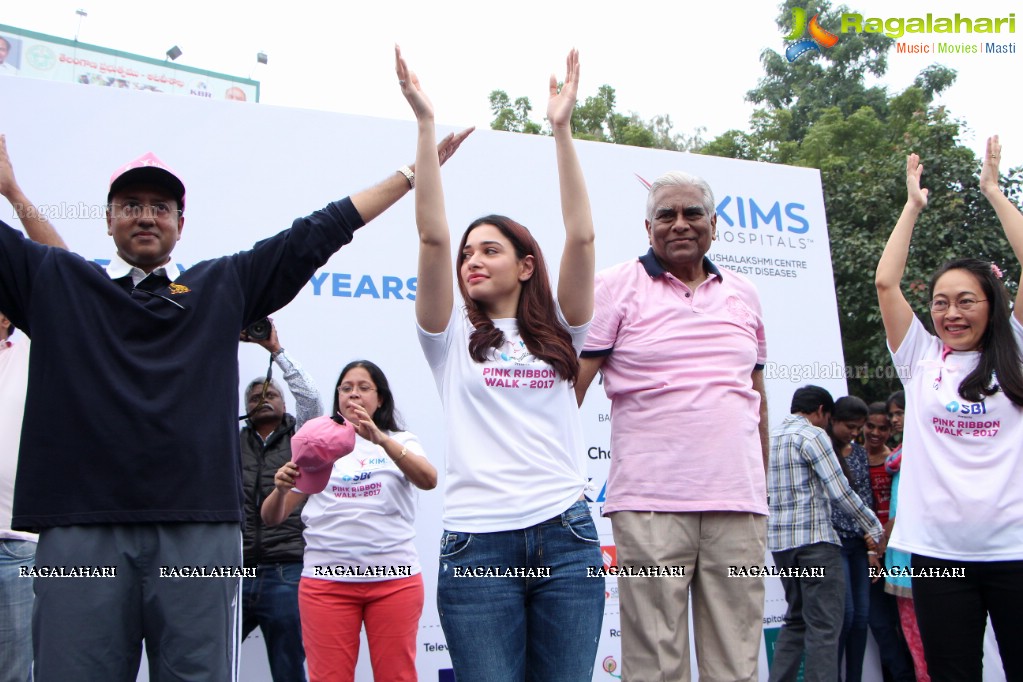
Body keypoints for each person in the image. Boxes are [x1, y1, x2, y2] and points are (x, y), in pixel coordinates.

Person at [0, 128, 468, 681]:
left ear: (180, 223)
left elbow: (316, 233)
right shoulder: (64, 285)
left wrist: (412, 175)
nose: (146, 216)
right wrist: (10, 189)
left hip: (197, 527)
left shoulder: (219, 284)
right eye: (131, 206)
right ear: (108, 221)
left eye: (161, 207)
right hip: (81, 528)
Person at [397, 46, 604, 680]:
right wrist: (426, 126)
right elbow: (432, 235)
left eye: (491, 249)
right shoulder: (449, 333)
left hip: (566, 538)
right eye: (468, 255)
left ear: (526, 263)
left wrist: (562, 129)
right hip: (476, 544)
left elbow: (581, 235)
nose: (472, 261)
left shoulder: (565, 327)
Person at [575, 168, 770, 679]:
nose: (679, 224)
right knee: (655, 661)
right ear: (648, 227)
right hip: (650, 508)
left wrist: (761, 489)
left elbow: (756, 398)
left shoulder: (744, 293)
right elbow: (569, 391)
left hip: (738, 505)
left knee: (738, 659)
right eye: (666, 214)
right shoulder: (613, 288)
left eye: (692, 213)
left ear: (713, 223)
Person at [875, 138, 1023, 680]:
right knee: (951, 671)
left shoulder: (1016, 350)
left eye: (966, 301)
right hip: (939, 555)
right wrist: (912, 208)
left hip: (1015, 549)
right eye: (941, 302)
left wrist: (993, 192)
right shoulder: (919, 358)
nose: (951, 313)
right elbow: (886, 281)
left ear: (994, 305)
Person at [263, 360, 436, 682]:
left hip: (393, 581)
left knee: (397, 676)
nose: (353, 394)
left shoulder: (402, 441)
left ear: (380, 398)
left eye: (363, 387)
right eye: (346, 388)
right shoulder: (318, 444)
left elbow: (428, 480)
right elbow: (273, 517)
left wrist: (380, 440)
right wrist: (280, 488)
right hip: (327, 583)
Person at [0, 136, 66, 682]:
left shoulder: (33, 348)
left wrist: (12, 191)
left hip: (17, 546)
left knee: (17, 670)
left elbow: (66, 276)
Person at [767, 385, 884, 682]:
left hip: (782, 547)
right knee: (824, 626)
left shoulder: (770, 438)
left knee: (795, 620)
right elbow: (840, 490)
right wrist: (872, 526)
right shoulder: (813, 435)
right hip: (816, 546)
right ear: (821, 411)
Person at [240, 319, 322, 682]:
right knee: (208, 662)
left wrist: (277, 353)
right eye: (254, 397)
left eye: (269, 394)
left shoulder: (301, 437)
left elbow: (311, 398)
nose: (262, 400)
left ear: (283, 402)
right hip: (233, 571)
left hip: (286, 570)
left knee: (289, 670)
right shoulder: (228, 441)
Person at [862, 402, 915, 681]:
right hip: (869, 553)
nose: (876, 432)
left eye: (884, 427)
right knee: (881, 625)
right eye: (871, 426)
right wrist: (871, 548)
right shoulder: (853, 459)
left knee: (908, 624)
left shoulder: (896, 459)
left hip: (899, 553)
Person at [882, 391, 930, 682]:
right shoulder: (898, 454)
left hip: (925, 551)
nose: (895, 419)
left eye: (900, 412)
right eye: (892, 415)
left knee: (937, 632)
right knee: (911, 631)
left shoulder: (929, 447)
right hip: (900, 555)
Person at [826, 395, 873, 682]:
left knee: (861, 619)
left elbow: (864, 497)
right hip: (833, 544)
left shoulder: (858, 454)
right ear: (832, 419)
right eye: (850, 426)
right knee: (845, 616)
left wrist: (872, 543)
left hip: (859, 545)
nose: (854, 433)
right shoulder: (822, 451)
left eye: (859, 428)